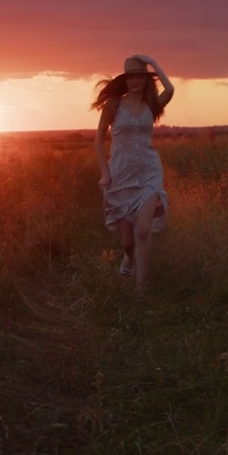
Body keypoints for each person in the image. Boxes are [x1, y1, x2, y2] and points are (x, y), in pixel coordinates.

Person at [92, 54, 174, 289]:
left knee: (144, 231)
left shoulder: (152, 104)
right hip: (121, 174)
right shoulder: (115, 104)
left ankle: (141, 288)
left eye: (140, 76)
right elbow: (98, 141)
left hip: (149, 173)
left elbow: (170, 90)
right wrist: (104, 172)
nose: (135, 81)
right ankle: (128, 257)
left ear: (146, 79)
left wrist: (155, 65)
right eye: (131, 77)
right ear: (126, 80)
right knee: (128, 242)